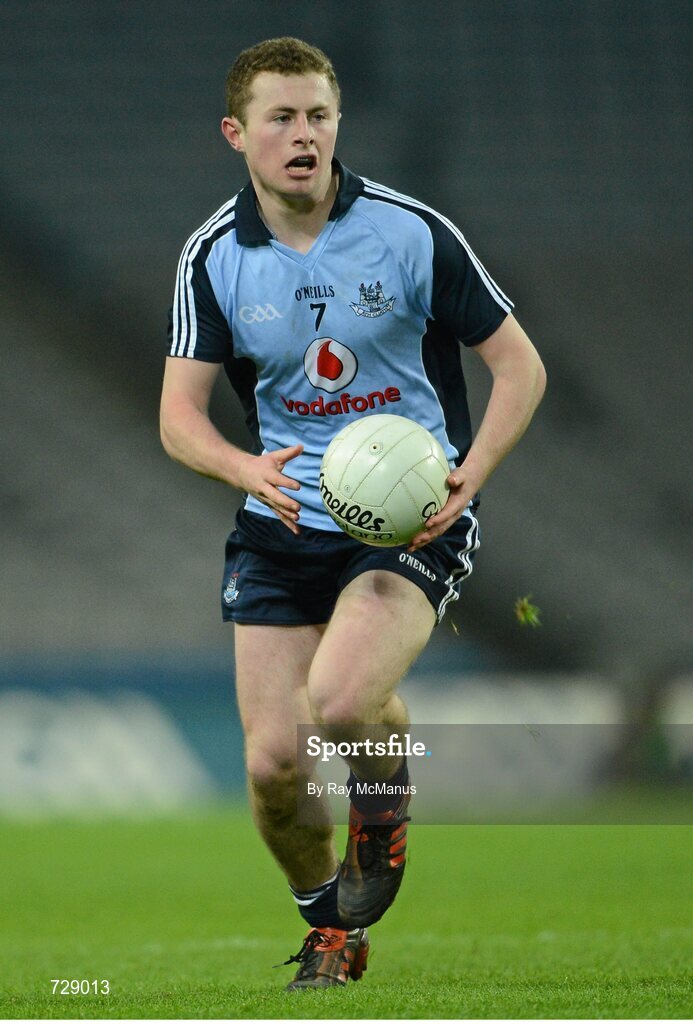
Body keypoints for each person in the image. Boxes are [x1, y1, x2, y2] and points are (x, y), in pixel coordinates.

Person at [160, 36, 546, 990]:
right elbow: (176, 419)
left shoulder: (410, 232)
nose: (303, 136)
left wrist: (468, 474)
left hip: (406, 518)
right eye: (281, 118)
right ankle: (330, 924)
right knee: (272, 769)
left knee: (339, 700)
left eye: (318, 115)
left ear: (338, 124)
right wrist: (243, 466)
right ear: (235, 133)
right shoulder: (214, 257)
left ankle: (383, 815)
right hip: (286, 521)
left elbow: (519, 367)